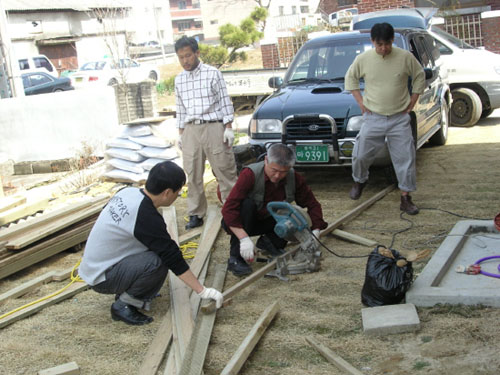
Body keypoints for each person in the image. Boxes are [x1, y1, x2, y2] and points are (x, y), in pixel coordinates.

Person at [78, 161, 223, 326]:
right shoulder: (145, 215)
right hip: (103, 278)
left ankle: (130, 287)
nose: (178, 196)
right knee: (158, 260)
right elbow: (171, 256)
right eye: (178, 191)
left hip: (94, 266)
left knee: (154, 249)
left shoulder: (128, 192)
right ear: (167, 192)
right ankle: (125, 304)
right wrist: (202, 290)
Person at [344, 22, 425, 215]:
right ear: (372, 42)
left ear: (392, 41)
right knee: (361, 154)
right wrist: (361, 102)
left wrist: (413, 100)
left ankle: (405, 197)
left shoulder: (405, 57)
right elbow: (351, 78)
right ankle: (360, 180)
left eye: (387, 44)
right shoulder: (363, 59)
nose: (383, 48)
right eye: (379, 44)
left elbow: (419, 76)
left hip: (399, 117)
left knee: (405, 158)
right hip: (373, 117)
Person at [221, 143, 328, 276]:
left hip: (269, 220)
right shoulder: (250, 174)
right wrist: (243, 239)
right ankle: (235, 258)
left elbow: (312, 204)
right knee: (246, 205)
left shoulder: (294, 178)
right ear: (266, 160)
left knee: (292, 214)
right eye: (274, 170)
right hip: (244, 221)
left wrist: (315, 231)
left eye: (283, 172)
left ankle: (268, 244)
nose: (277, 176)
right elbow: (229, 208)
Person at [174, 35, 238, 230]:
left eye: (188, 56)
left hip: (213, 126)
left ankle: (232, 210)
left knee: (224, 170)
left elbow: (224, 101)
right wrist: (181, 133)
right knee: (192, 173)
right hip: (191, 129)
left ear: (197, 53)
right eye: (181, 57)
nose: (185, 61)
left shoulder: (212, 73)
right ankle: (196, 213)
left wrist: (228, 127)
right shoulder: (179, 80)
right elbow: (180, 108)